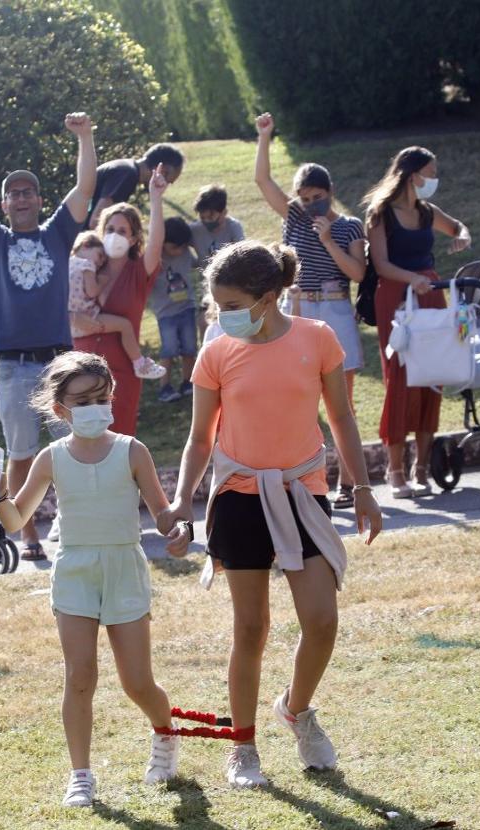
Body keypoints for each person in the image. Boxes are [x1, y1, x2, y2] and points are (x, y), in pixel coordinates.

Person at [162, 240, 382, 788]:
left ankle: (297, 709)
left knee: (322, 620)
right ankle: (242, 746)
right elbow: (198, 439)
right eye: (214, 304)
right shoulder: (216, 352)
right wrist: (182, 503)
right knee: (251, 628)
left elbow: (343, 420)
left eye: (229, 303)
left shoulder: (317, 339)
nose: (220, 315)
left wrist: (362, 488)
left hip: (303, 493)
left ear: (266, 298)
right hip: (238, 498)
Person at [0, 351, 191, 807]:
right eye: (83, 400)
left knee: (137, 682)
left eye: (102, 396)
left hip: (124, 570)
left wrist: (179, 530)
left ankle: (165, 733)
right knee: (80, 676)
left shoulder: (133, 450)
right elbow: (16, 521)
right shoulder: (51, 458)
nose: (95, 406)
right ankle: (81, 774)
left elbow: (162, 515)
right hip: (74, 572)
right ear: (60, 410)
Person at [0, 112, 96, 562]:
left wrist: (85, 137)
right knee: (21, 455)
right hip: (13, 366)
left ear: (38, 199)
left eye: (27, 191)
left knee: (74, 448)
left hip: (58, 364)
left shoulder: (57, 233)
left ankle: (70, 526)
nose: (20, 198)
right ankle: (26, 533)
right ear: (6, 204)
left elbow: (85, 188)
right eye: (12, 193)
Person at [253, 112, 368, 507]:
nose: (311, 205)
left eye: (317, 197)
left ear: (330, 192)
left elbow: (357, 271)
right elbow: (263, 183)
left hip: (335, 307)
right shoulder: (296, 216)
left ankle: (349, 482)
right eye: (304, 199)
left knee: (342, 403)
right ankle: (303, 477)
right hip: (298, 305)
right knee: (294, 398)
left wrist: (330, 241)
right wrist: (265, 137)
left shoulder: (350, 226)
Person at [364, 146, 472, 499]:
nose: (434, 178)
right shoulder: (381, 214)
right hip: (396, 296)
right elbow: (380, 264)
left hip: (429, 291)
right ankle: (395, 470)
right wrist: (412, 278)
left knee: (432, 374)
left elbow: (457, 227)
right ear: (412, 175)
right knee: (399, 379)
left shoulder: (426, 212)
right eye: (431, 171)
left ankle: (421, 467)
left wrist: (462, 236)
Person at [72, 165, 171, 436]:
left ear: (133, 237)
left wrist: (156, 197)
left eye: (122, 230)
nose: (115, 234)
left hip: (121, 373)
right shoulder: (85, 266)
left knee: (118, 443)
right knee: (82, 446)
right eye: (110, 228)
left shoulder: (139, 271)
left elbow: (156, 243)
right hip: (80, 368)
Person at [69, 231, 167, 380]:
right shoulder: (86, 264)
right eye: (100, 255)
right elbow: (92, 291)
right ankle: (139, 363)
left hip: (71, 327)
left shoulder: (65, 263)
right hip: (89, 317)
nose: (101, 263)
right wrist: (102, 280)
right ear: (86, 245)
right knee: (125, 325)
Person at [152, 217, 199, 402]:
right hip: (166, 313)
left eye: (182, 246)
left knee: (189, 348)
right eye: (174, 247)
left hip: (187, 307)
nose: (179, 251)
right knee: (169, 350)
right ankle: (164, 387)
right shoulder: (156, 258)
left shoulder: (186, 252)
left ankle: (188, 382)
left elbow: (198, 262)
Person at [87, 143, 185, 228]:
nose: (165, 186)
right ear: (162, 171)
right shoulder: (127, 174)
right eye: (167, 181)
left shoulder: (127, 169)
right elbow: (96, 222)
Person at [189, 184, 245, 268]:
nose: (206, 221)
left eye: (210, 218)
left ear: (224, 212)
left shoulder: (234, 228)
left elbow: (242, 257)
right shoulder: (195, 230)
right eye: (202, 218)